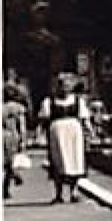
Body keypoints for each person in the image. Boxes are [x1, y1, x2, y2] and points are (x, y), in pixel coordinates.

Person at [37, 73, 90, 204]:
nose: (64, 88)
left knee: (75, 161)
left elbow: (84, 118)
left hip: (74, 134)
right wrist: (40, 134)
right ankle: (58, 193)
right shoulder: (49, 102)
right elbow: (44, 120)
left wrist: (89, 131)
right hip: (57, 135)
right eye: (61, 85)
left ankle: (74, 192)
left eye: (67, 85)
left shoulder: (78, 101)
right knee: (58, 162)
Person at [4, 82, 30, 198]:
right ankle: (8, 183)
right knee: (10, 162)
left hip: (0, 135)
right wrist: (23, 141)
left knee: (4, 163)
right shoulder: (18, 108)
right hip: (13, 137)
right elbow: (22, 126)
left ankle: (8, 183)